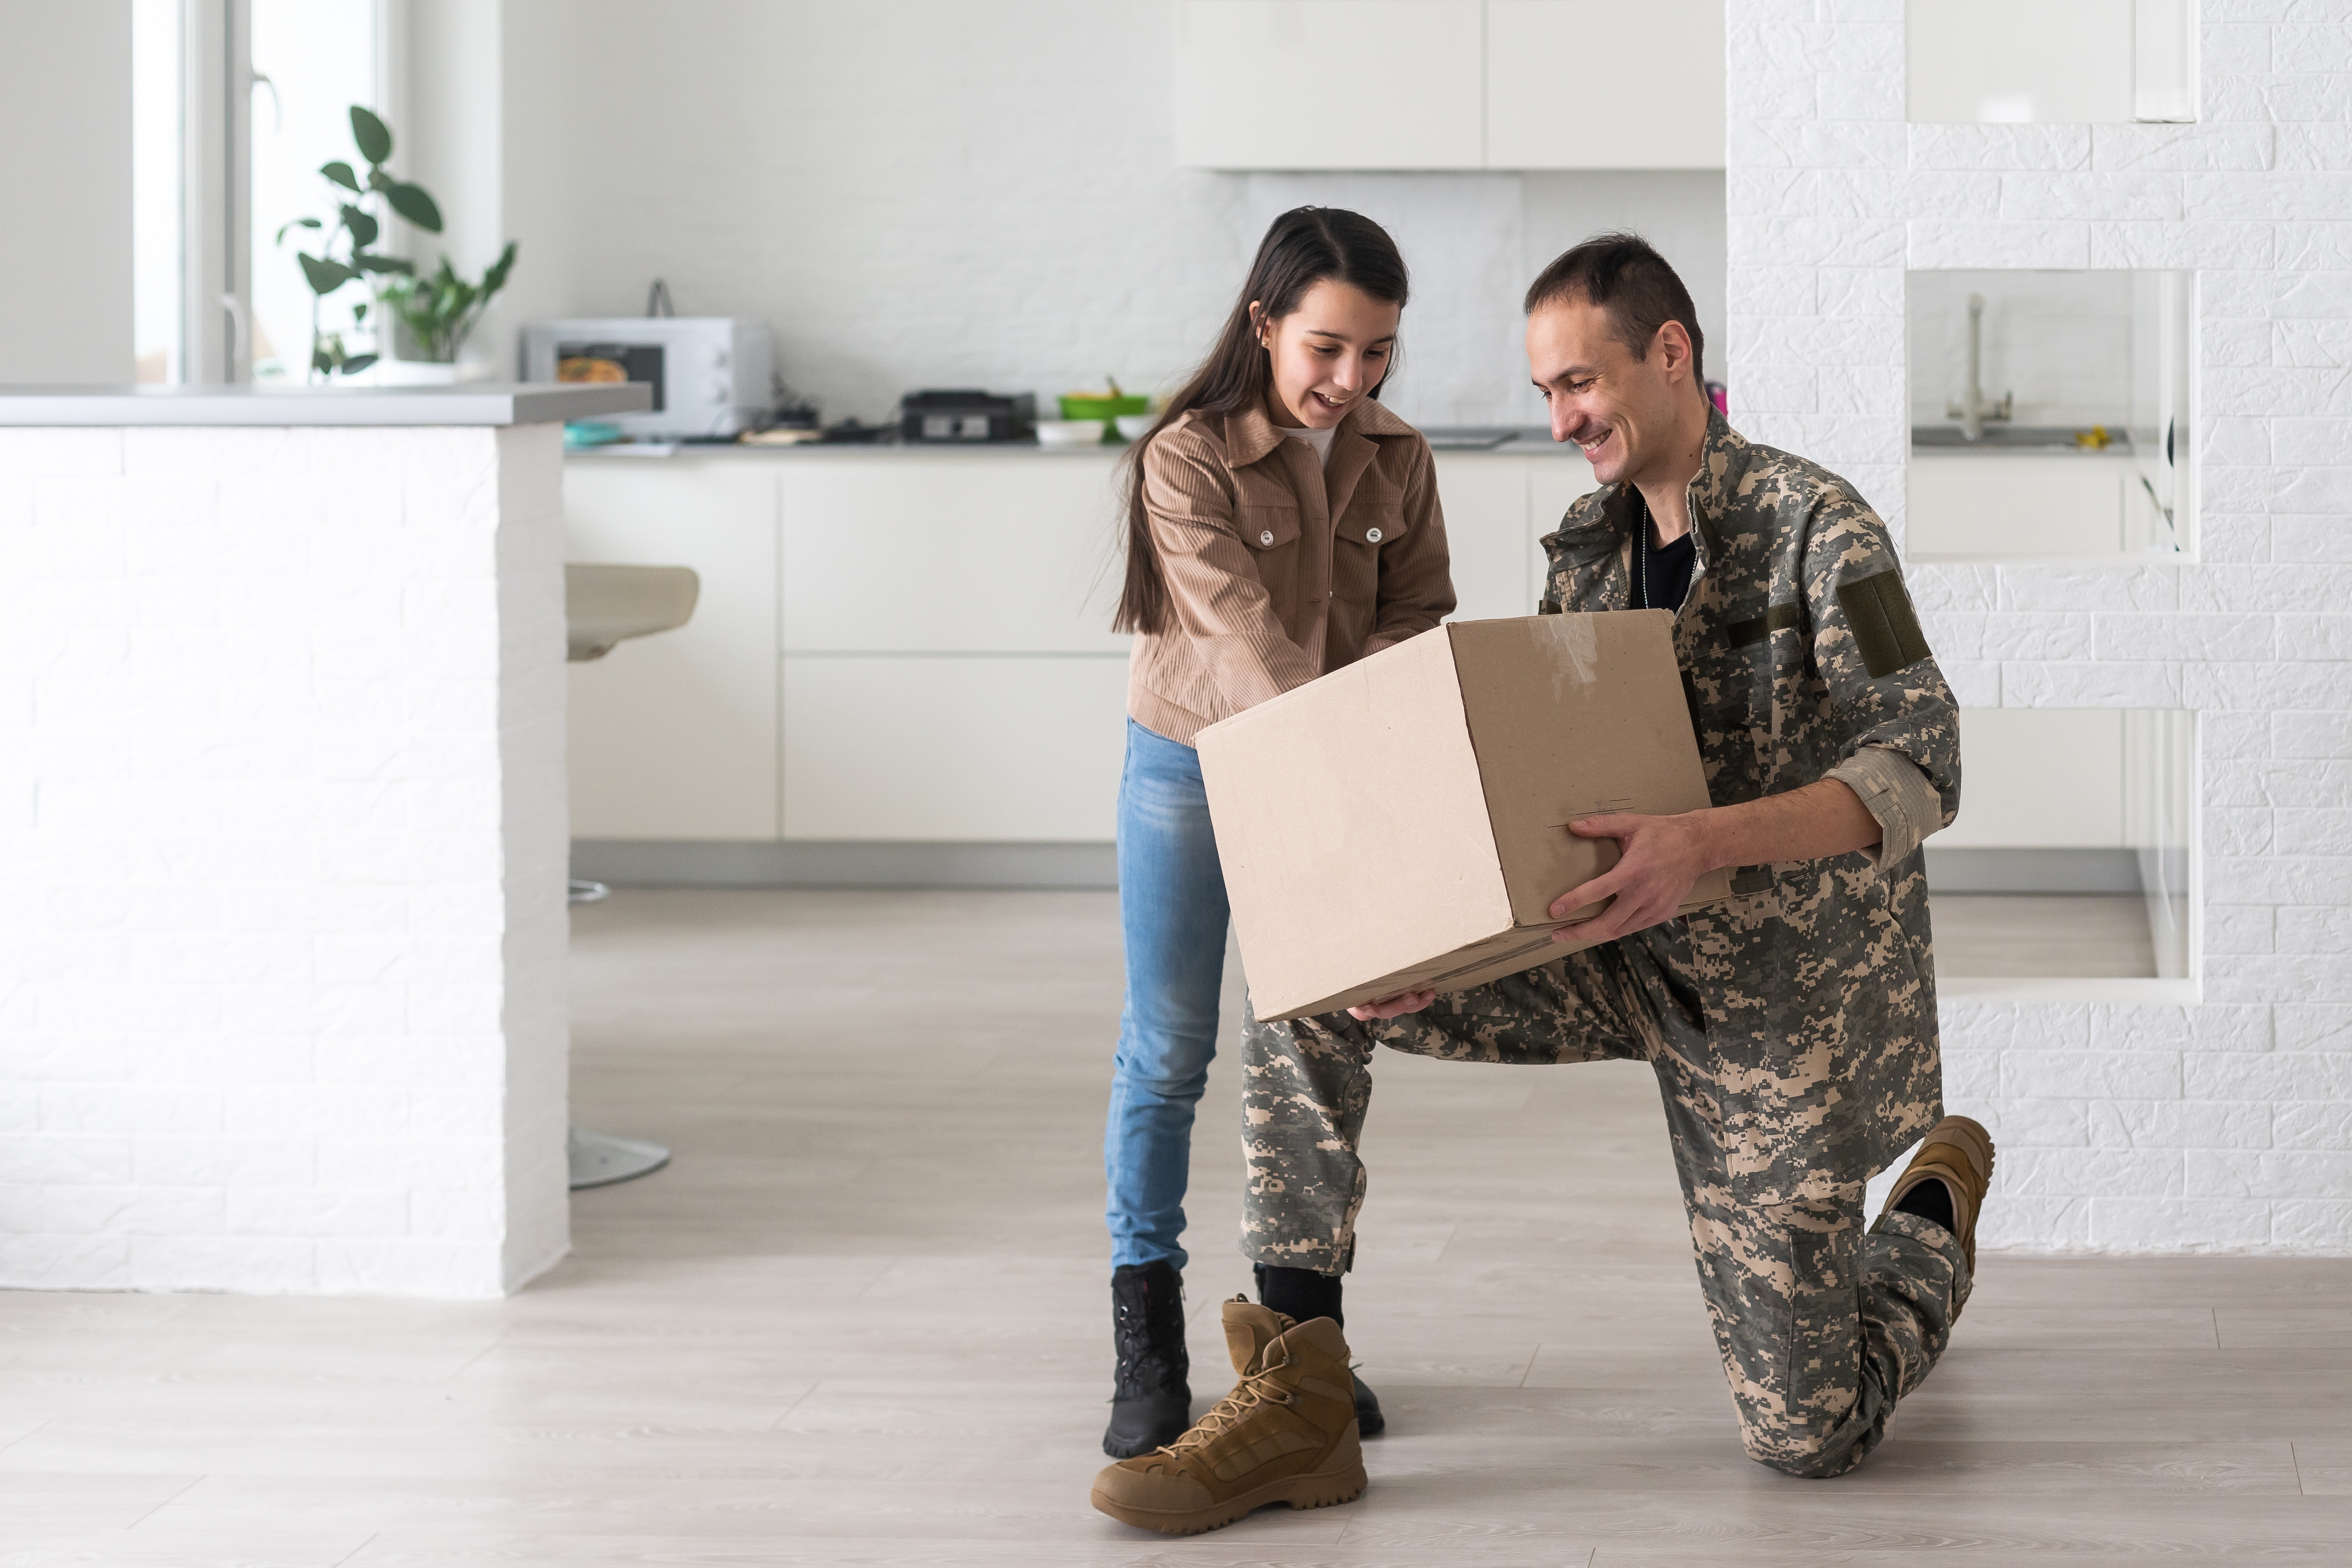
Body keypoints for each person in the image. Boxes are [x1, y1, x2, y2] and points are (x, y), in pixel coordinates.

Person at [1091, 233, 1989, 1534]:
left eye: (1579, 384)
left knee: (1807, 1436)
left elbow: (1927, 760)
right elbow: (1545, 783)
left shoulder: (1820, 526)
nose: (1562, 420)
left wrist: (1706, 841)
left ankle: (1926, 1214)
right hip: (1607, 949)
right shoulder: (1585, 548)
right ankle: (1300, 1386)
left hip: (1773, 1002)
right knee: (1321, 977)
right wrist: (1419, 928)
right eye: (1545, 394)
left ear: (1669, 355)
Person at [1096, 207, 1455, 1459]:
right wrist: (1357, 810)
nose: (1350, 382)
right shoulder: (1185, 460)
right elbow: (1248, 648)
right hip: (1196, 763)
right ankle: (1148, 1339)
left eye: (1379, 355)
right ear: (1262, 324)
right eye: (1327, 349)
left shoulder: (1397, 457)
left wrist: (1381, 743)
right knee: (1170, 1047)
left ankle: (1299, 1348)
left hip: (1328, 761)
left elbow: (1422, 615)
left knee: (1311, 1036)